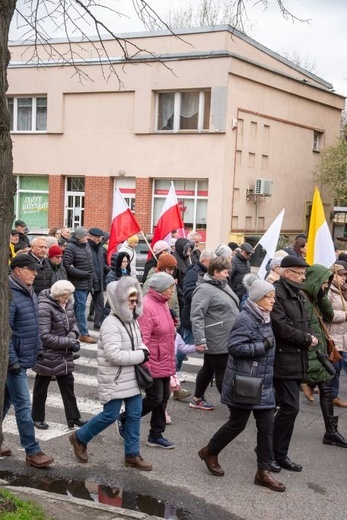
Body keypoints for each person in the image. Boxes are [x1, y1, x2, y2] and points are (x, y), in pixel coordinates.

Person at [198, 279, 286, 492]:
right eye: (268, 296)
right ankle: (210, 451)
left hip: (262, 382)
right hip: (246, 382)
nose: (273, 300)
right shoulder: (246, 318)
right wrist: (262, 346)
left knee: (266, 427)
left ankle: (262, 472)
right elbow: (235, 347)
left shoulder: (264, 317)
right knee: (237, 424)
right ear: (257, 298)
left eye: (273, 296)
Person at [69, 276, 152, 471]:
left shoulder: (132, 321)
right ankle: (79, 438)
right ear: (119, 300)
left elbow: (138, 342)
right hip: (114, 378)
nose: (134, 304)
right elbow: (115, 355)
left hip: (131, 376)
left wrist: (143, 349)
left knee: (134, 414)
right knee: (110, 415)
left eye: (135, 300)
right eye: (130, 300)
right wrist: (141, 354)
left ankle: (132, 454)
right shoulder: (110, 324)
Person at [3, 254, 54, 468]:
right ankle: (32, 451)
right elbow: (6, 332)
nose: (35, 273)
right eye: (30, 269)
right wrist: (12, 361)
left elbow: (32, 325)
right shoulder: (10, 295)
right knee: (23, 404)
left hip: (23, 357)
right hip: (12, 362)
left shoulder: (28, 291)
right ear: (17, 270)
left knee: (5, 401)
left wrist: (39, 349)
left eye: (36, 270)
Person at [118, 272, 177, 449]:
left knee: (164, 397)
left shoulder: (163, 303)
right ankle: (125, 418)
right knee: (155, 398)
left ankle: (156, 435)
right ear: (160, 289)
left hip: (164, 358)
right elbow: (143, 338)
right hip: (152, 360)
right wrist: (145, 363)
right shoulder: (148, 307)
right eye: (170, 287)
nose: (173, 290)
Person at [271, 255, 317, 472]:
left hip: (296, 358)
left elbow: (304, 322)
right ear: (286, 272)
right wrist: (306, 339)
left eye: (304, 273)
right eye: (299, 273)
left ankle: (279, 454)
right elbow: (280, 327)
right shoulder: (277, 293)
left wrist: (310, 335)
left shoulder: (297, 294)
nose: (302, 277)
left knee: (287, 408)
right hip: (281, 359)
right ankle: (271, 453)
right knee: (289, 407)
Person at [301, 264, 347, 447]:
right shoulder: (301, 298)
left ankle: (331, 432)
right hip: (303, 352)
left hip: (318, 352)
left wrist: (321, 296)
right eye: (322, 283)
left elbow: (327, 313)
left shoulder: (315, 297)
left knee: (327, 388)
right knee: (286, 402)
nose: (324, 287)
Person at [31, 280, 87, 430]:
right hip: (47, 354)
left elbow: (74, 323)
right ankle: (37, 417)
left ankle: (74, 417)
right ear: (58, 295)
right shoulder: (44, 306)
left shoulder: (67, 302)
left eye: (69, 297)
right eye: (65, 297)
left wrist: (73, 335)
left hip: (63, 353)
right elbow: (44, 336)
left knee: (68, 386)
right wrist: (69, 341)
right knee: (41, 388)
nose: (68, 300)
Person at [189, 256, 239, 410]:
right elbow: (196, 315)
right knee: (221, 371)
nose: (228, 275)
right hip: (216, 338)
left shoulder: (222, 284)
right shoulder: (204, 289)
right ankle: (234, 408)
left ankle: (197, 399)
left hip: (224, 336)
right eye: (225, 272)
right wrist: (200, 340)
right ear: (215, 272)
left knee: (209, 368)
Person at [178, 248, 215, 371]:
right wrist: (205, 298)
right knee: (183, 348)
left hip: (205, 317)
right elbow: (188, 293)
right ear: (204, 260)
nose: (214, 265)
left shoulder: (209, 274)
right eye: (212, 262)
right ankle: (174, 371)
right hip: (191, 317)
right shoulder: (193, 273)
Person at [63, 226, 96, 344]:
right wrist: (84, 274)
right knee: (80, 307)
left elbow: (90, 265)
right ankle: (83, 333)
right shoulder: (70, 247)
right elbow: (67, 266)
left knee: (79, 308)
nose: (87, 237)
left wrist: (92, 279)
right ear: (78, 237)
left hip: (86, 283)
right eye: (85, 236)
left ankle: (76, 330)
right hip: (77, 284)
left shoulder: (86, 246)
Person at [326, 263, 347, 407]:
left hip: (343, 334)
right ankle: (332, 395)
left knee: (338, 366)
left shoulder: (342, 290)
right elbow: (327, 314)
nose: (344, 278)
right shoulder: (328, 291)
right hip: (334, 334)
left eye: (345, 275)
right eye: (340, 274)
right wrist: (345, 315)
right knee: (336, 367)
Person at [88, 227, 109, 331]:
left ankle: (98, 323)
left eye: (100, 238)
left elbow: (102, 263)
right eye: (98, 238)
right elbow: (88, 265)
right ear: (91, 237)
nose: (99, 239)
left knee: (100, 303)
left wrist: (110, 270)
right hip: (87, 281)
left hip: (99, 280)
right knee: (81, 305)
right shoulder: (86, 247)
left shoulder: (100, 248)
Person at [173, 238, 194, 315]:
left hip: (189, 292)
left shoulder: (190, 258)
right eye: (187, 248)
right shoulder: (174, 259)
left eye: (190, 247)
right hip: (180, 295)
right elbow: (173, 280)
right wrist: (181, 293)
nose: (189, 250)